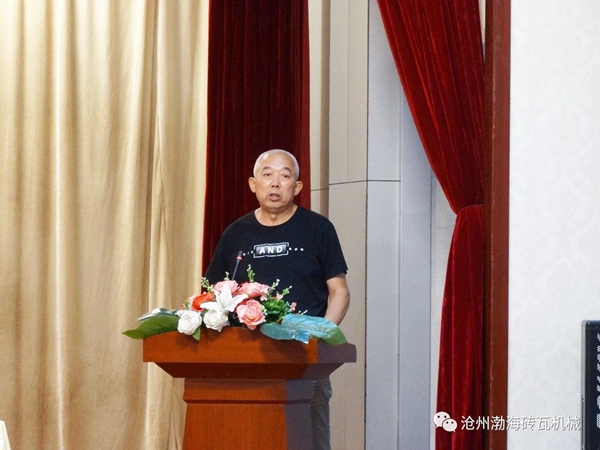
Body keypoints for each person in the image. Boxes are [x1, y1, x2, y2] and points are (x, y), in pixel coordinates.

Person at [204, 149, 350, 450]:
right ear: (253, 184)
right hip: (247, 361)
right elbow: (214, 294)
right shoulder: (236, 234)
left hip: (303, 361)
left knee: (308, 442)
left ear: (297, 187)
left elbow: (340, 292)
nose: (275, 183)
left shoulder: (318, 229)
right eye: (267, 174)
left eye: (285, 176)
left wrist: (319, 336)